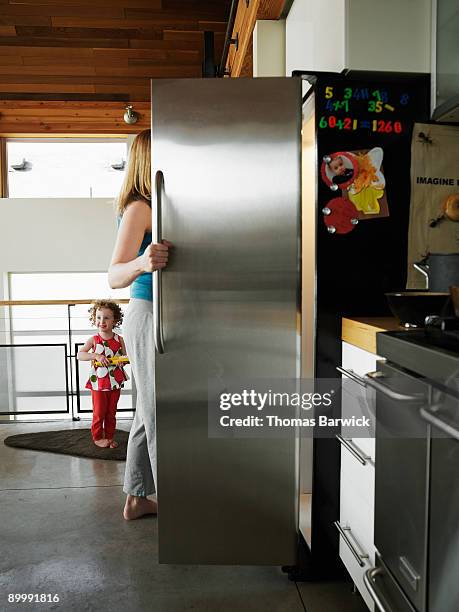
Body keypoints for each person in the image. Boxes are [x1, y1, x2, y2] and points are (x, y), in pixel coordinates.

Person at [108, 129, 171, 520]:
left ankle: (136, 498)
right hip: (147, 312)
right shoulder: (140, 207)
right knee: (157, 410)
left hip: (157, 313)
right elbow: (114, 275)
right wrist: (142, 262)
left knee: (148, 410)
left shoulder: (159, 204)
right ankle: (175, 499)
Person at [77, 300, 128, 449]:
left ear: (115, 320)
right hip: (98, 383)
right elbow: (80, 355)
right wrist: (96, 356)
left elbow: (126, 357)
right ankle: (98, 437)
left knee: (111, 413)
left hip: (115, 382)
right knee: (99, 413)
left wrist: (122, 362)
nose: (102, 321)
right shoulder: (94, 340)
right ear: (94, 319)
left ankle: (110, 437)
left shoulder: (120, 340)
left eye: (106, 318)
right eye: (99, 317)